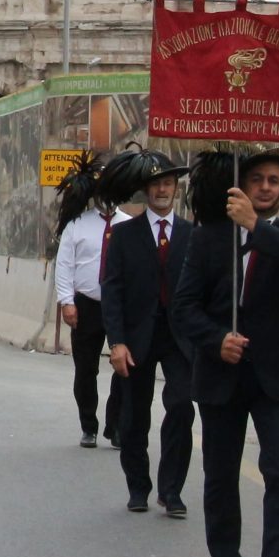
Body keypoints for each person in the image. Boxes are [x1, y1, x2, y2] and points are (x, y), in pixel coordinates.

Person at [170, 149, 279, 557]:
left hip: (278, 374)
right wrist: (216, 341)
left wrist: (257, 227)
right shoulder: (209, 237)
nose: (267, 187)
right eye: (258, 179)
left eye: (275, 181)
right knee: (220, 474)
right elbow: (185, 306)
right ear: (242, 184)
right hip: (222, 374)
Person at [97, 152, 196, 518]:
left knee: (182, 408)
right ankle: (138, 486)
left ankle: (172, 491)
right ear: (146, 190)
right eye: (156, 184)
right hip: (137, 338)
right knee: (134, 415)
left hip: (180, 339)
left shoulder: (191, 235)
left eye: (168, 183)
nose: (162, 189)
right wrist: (116, 342)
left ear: (176, 188)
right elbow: (112, 290)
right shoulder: (123, 235)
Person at [52, 162, 117, 450]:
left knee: (127, 367)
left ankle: (116, 425)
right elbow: (64, 266)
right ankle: (88, 425)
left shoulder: (128, 224)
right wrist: (67, 301)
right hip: (86, 304)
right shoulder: (77, 225)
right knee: (86, 369)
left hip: (119, 306)